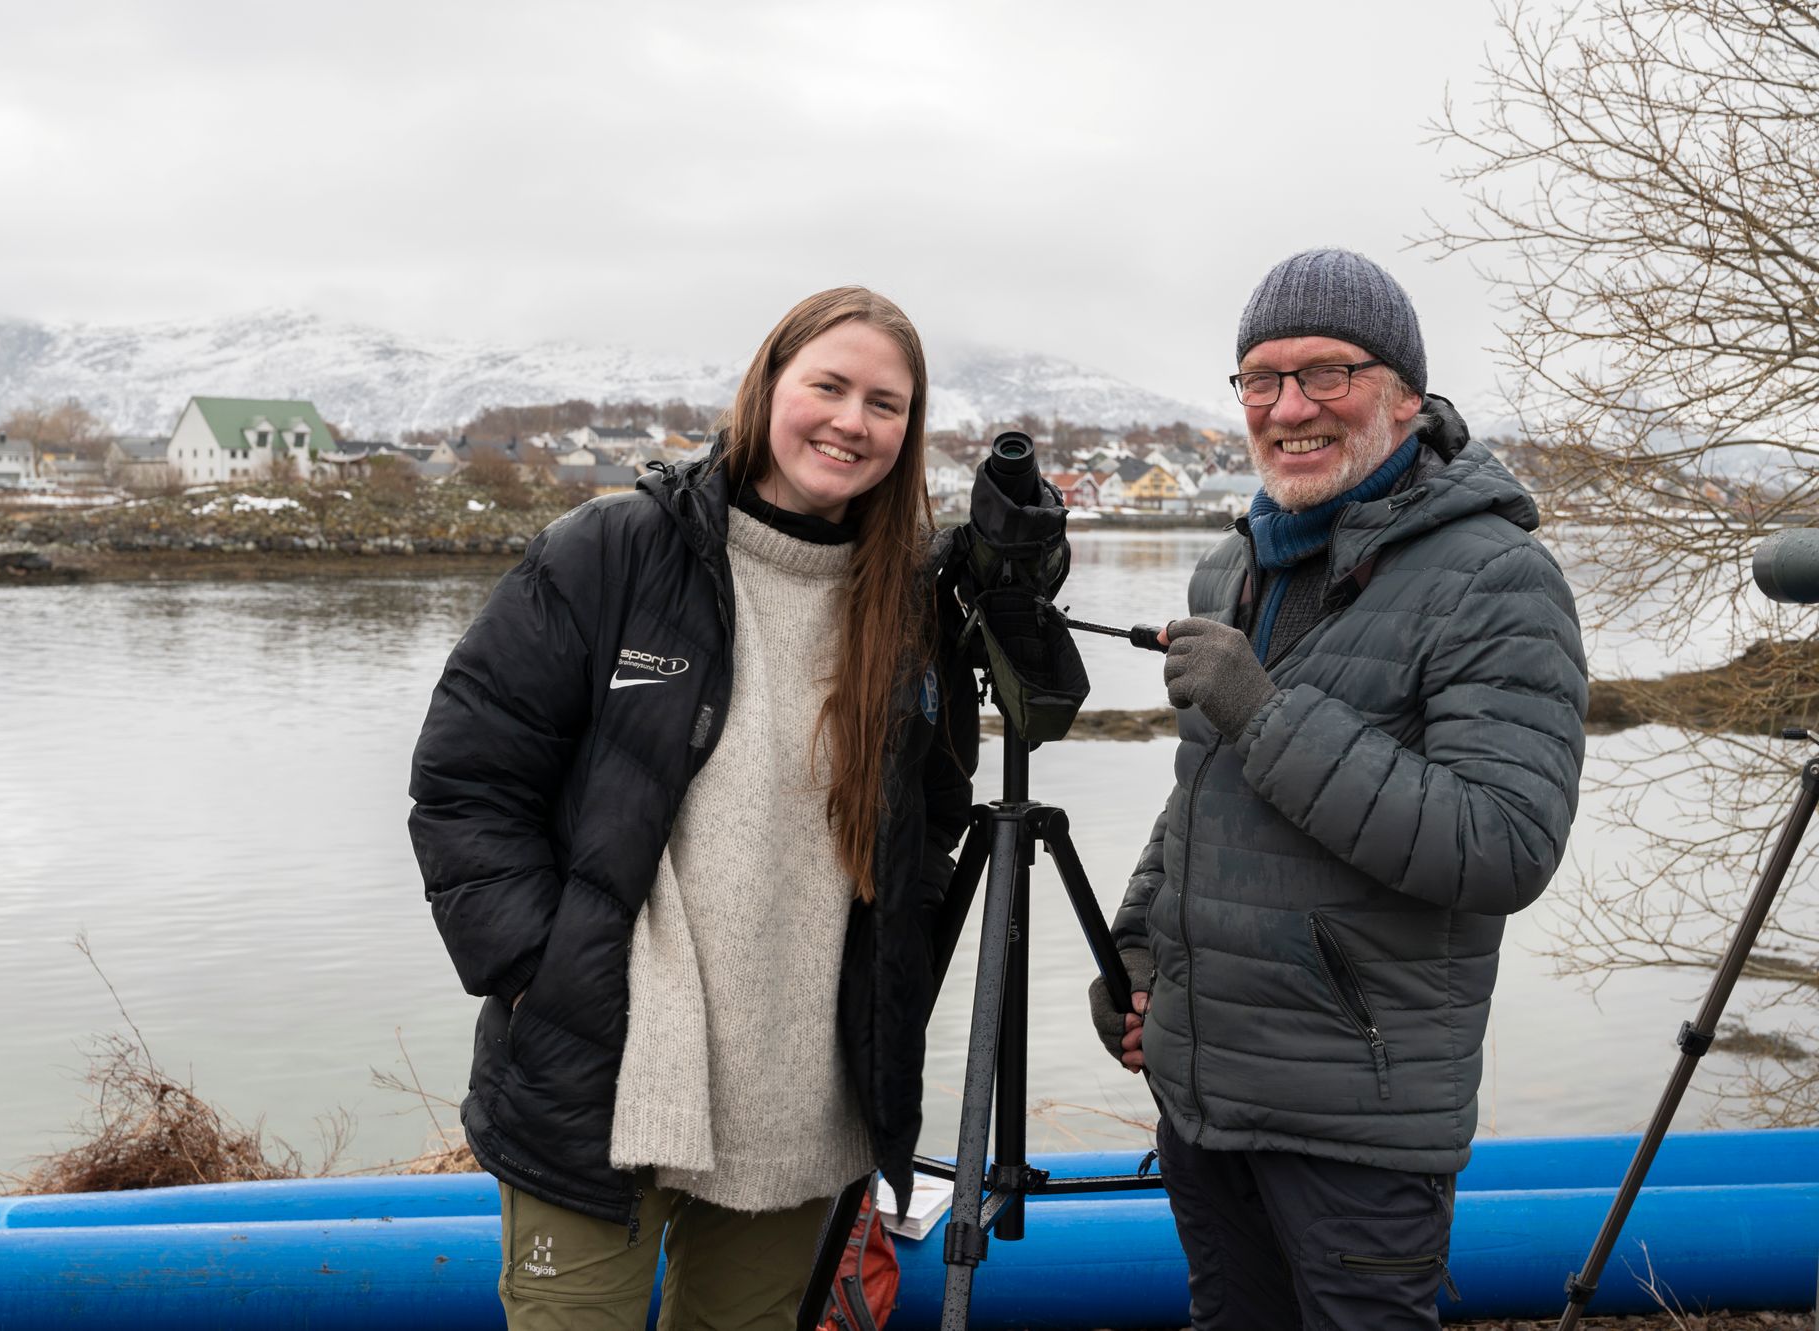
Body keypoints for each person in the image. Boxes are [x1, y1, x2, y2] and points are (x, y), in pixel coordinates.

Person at [408, 286, 978, 1331]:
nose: (851, 421)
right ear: (767, 386)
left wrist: (883, 992)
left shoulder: (907, 607)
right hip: (605, 1071)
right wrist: (540, 974)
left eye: (884, 404)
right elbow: (465, 779)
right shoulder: (613, 550)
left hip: (801, 1090)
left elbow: (932, 820)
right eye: (829, 386)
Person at [1088, 249, 1587, 1328]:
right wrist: (1135, 947)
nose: (1288, 407)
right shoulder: (1232, 566)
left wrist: (1266, 714)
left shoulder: (1495, 576)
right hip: (1205, 1101)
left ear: (1404, 393)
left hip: (1358, 1124)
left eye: (1326, 373)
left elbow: (1503, 844)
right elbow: (1202, 799)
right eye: (1260, 379)